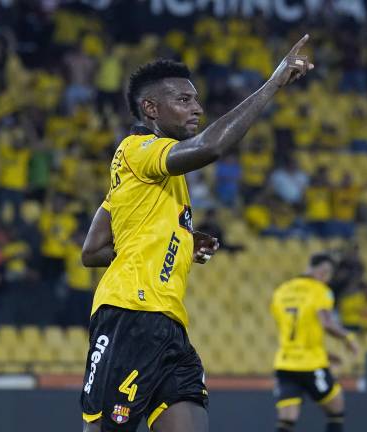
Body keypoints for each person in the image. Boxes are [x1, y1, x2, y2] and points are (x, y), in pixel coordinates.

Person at [79, 35, 314, 432]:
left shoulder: (142, 176)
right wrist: (273, 83)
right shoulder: (139, 149)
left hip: (170, 327)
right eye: (184, 101)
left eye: (196, 100)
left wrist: (181, 238)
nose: (198, 109)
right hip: (130, 317)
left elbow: (93, 249)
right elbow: (212, 147)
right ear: (151, 108)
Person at [270, 253, 360, 432]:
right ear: (324, 271)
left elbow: (293, 331)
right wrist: (348, 338)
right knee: (336, 409)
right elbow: (326, 323)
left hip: (285, 363)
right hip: (311, 364)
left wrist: (324, 352)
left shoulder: (281, 291)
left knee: (287, 419)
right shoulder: (320, 290)